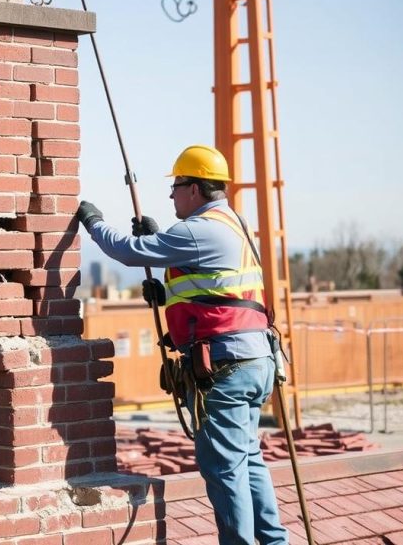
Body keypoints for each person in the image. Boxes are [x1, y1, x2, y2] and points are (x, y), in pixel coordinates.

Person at [75, 145, 288, 545]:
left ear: (194, 189)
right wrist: (169, 290)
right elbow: (217, 290)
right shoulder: (233, 223)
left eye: (176, 186)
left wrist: (94, 222)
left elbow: (126, 252)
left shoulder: (197, 230)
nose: (172, 194)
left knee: (224, 469)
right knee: (249, 461)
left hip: (226, 366)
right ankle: (275, 542)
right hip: (254, 360)